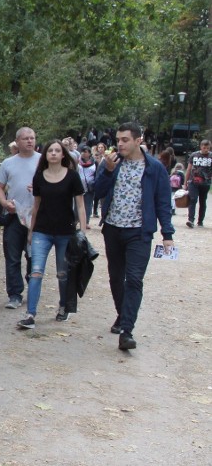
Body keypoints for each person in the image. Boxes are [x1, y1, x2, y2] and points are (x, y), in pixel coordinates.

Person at [94, 122, 174, 351]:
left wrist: (167, 233)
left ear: (138, 140)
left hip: (139, 232)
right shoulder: (111, 164)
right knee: (115, 278)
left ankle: (127, 331)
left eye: (125, 139)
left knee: (135, 279)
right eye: (118, 140)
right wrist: (108, 171)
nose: (120, 144)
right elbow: (97, 191)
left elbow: (163, 202)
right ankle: (122, 314)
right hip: (112, 228)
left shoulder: (155, 168)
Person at [17, 141, 85, 330]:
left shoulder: (72, 176)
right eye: (50, 151)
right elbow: (36, 205)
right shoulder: (39, 177)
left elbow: (80, 204)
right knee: (36, 272)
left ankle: (63, 306)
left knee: (62, 274)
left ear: (63, 155)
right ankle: (30, 314)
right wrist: (31, 229)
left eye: (57, 151)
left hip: (66, 232)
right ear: (45, 155)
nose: (54, 153)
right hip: (42, 231)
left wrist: (84, 231)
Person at [0, 126, 40, 309]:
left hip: (36, 216)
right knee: (12, 256)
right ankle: (14, 294)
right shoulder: (8, 163)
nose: (30, 141)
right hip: (14, 215)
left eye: (33, 138)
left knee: (34, 256)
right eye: (26, 138)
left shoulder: (43, 161)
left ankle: (33, 289)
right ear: (18, 141)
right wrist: (4, 203)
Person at [184, 139, 211, 228]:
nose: (206, 149)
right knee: (193, 199)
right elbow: (188, 169)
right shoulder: (194, 155)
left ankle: (200, 221)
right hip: (193, 181)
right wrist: (185, 182)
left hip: (205, 182)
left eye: (207, 148)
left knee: (202, 201)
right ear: (201, 147)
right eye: (204, 147)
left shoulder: (211, 156)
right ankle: (191, 219)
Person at [77, 146, 96, 228]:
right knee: (77, 205)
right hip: (79, 185)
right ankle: (76, 220)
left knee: (88, 204)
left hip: (90, 186)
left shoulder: (94, 162)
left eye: (85, 152)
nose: (83, 153)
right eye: (82, 152)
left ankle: (86, 222)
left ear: (89, 153)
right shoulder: (77, 162)